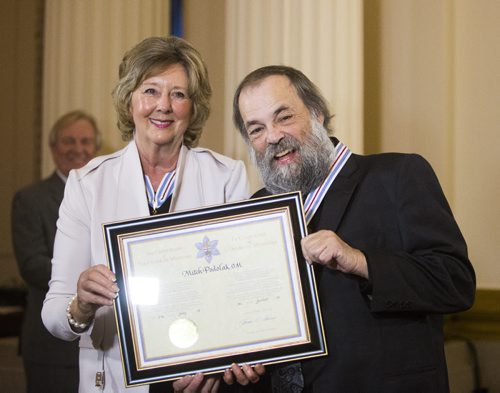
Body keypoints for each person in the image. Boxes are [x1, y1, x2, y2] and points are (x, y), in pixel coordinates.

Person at [230, 65, 476, 393]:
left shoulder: (398, 175)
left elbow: (456, 283)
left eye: (284, 117)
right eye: (256, 129)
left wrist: (359, 261)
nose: (273, 136)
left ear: (317, 114)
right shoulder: (257, 207)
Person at [41, 36, 264, 393]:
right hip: (114, 378)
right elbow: (54, 316)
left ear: (193, 107)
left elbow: (240, 295)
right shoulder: (88, 184)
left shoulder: (226, 177)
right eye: (150, 91)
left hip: (197, 380)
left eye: (178, 94)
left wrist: (216, 364)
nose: (163, 106)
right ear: (129, 100)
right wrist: (81, 304)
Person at [11, 109, 101, 393]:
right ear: (53, 148)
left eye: (86, 142)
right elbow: (32, 265)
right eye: (69, 141)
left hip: (103, 343)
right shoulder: (30, 199)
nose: (78, 149)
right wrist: (89, 279)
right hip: (51, 349)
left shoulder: (105, 196)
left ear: (96, 149)